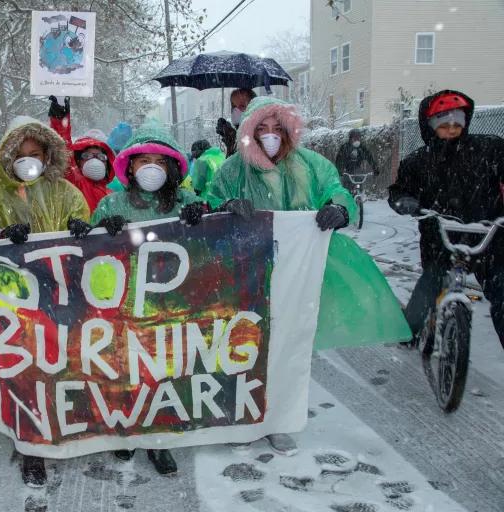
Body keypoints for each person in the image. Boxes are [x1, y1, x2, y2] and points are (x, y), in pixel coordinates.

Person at [207, 96, 361, 456]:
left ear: (290, 131)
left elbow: (335, 189)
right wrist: (225, 207)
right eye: (262, 128)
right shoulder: (233, 169)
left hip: (295, 273)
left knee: (287, 345)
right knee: (242, 342)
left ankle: (278, 419)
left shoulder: (311, 165)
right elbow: (210, 198)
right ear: (249, 132)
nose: (271, 136)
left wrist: (339, 208)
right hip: (243, 270)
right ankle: (241, 416)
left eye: (278, 128)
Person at [83, 119, 206, 476]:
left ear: (171, 167)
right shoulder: (112, 203)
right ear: (130, 165)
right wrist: (97, 231)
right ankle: (125, 431)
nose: (151, 168)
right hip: (123, 302)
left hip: (171, 302)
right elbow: (90, 251)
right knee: (124, 369)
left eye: (159, 161)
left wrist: (204, 215)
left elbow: (210, 238)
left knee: (162, 372)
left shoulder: (186, 200)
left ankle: (156, 440)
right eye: (143, 160)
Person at [0, 115, 90, 488]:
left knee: (62, 363)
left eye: (36, 153)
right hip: (17, 298)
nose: (29, 161)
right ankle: (31, 447)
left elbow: (86, 234)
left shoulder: (66, 192)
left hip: (61, 290)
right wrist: (2, 235)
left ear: (47, 155)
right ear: (8, 157)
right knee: (26, 369)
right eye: (21, 154)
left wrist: (80, 230)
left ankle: (62, 426)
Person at [389, 90, 504, 349]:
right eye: (444, 125)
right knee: (429, 286)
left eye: (457, 124)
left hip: (489, 238)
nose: (452, 130)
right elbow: (398, 191)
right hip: (441, 238)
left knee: (502, 292)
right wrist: (404, 202)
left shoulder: (490, 149)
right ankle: (410, 331)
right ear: (431, 127)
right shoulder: (418, 162)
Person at [48, 96, 116, 212]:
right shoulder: (74, 183)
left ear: (107, 163)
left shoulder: (113, 197)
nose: (95, 160)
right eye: (87, 156)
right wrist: (60, 121)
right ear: (78, 161)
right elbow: (63, 151)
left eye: (101, 157)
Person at [335, 129, 378, 195]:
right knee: (347, 192)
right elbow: (339, 160)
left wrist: (375, 168)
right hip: (347, 172)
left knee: (359, 189)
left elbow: (370, 158)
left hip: (358, 172)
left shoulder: (362, 148)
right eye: (355, 138)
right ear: (350, 138)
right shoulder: (345, 147)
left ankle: (358, 199)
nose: (357, 140)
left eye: (358, 138)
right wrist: (339, 170)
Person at [215, 88, 257, 157]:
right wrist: (230, 138)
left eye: (242, 106)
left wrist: (232, 139)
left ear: (253, 107)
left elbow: (240, 163)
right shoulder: (240, 134)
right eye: (233, 106)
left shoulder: (256, 136)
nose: (236, 110)